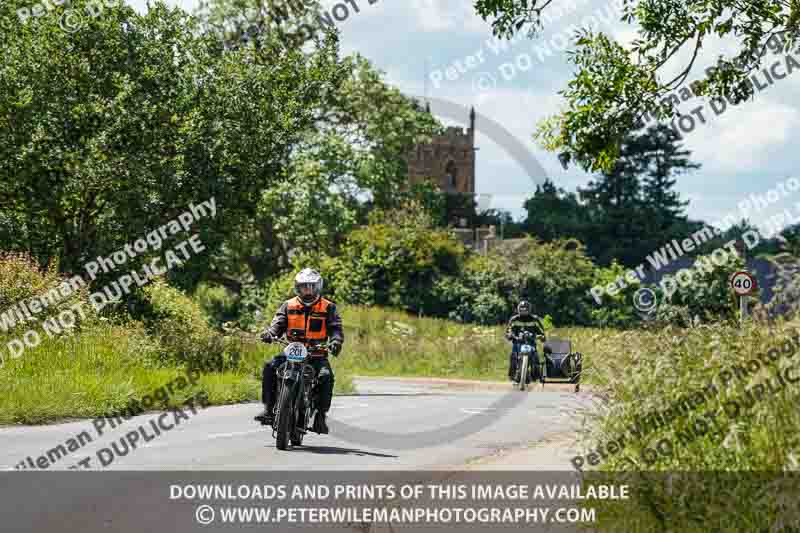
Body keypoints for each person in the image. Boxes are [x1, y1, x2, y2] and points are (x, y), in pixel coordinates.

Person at [254, 268, 344, 434]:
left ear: (317, 287)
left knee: (326, 377)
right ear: (298, 287)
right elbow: (278, 324)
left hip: (316, 354)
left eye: (310, 286)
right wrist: (270, 333)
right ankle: (268, 409)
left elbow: (335, 328)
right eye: (304, 286)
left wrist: (336, 341)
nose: (307, 290)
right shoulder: (288, 305)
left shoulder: (328, 307)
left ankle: (320, 417)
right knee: (269, 367)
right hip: (292, 351)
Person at [504, 300, 546, 383]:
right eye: (522, 309)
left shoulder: (534, 319)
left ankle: (536, 376)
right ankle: (512, 376)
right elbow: (509, 329)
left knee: (535, 358)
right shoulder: (514, 319)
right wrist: (510, 335)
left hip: (531, 342)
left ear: (529, 309)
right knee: (513, 357)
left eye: (525, 309)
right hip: (517, 342)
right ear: (518, 309)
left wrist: (542, 336)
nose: (523, 311)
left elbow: (541, 330)